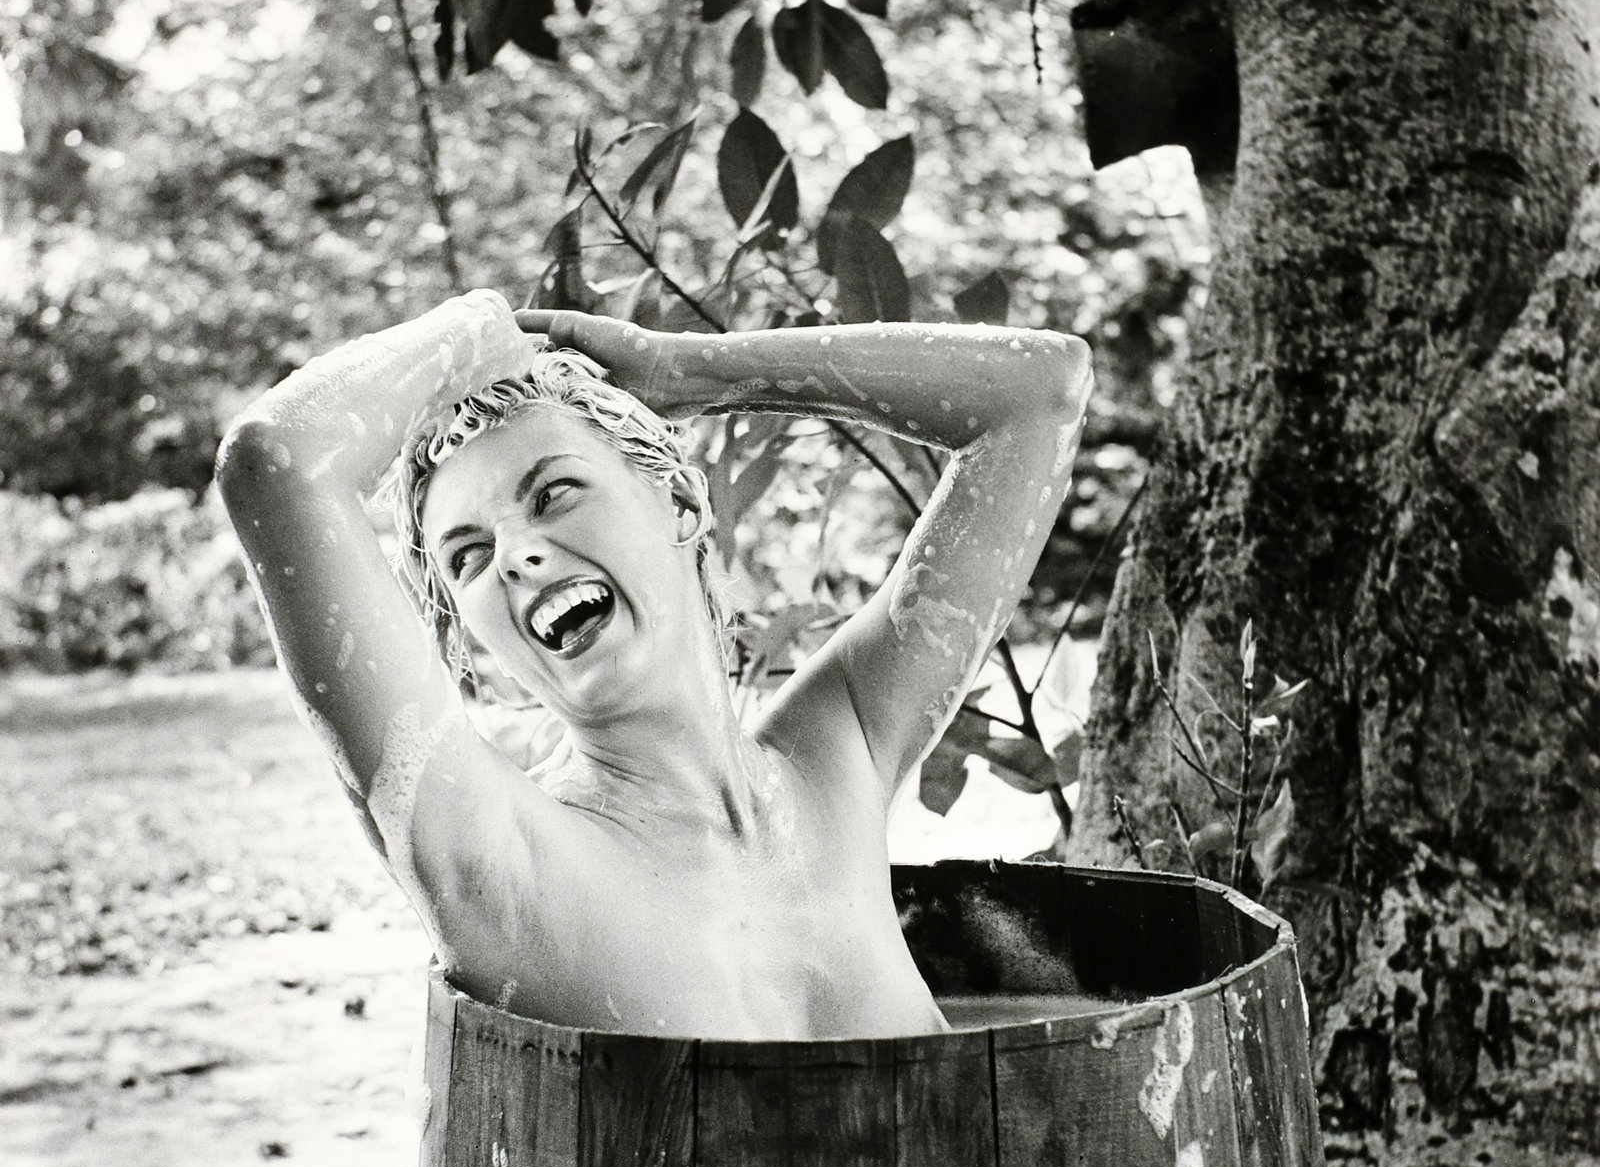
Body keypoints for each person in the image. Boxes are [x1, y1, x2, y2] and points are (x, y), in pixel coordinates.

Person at [215, 289, 1090, 1039]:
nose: (517, 555)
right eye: (469, 556)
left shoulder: (839, 758)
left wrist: (694, 372)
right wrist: (473, 329)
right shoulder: (500, 862)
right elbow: (276, 465)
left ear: (677, 501)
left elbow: (1040, 391)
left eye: (553, 493)